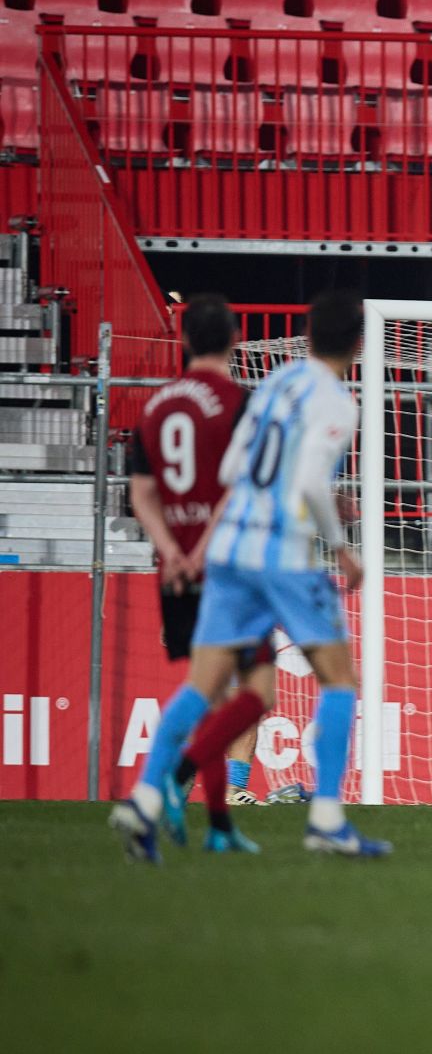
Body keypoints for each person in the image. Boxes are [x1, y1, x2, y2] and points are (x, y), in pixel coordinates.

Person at [109, 292, 389, 861]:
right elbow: (311, 480)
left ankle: (142, 797)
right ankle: (328, 820)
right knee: (339, 680)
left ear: (305, 337)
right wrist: (341, 549)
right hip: (280, 552)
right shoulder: (336, 401)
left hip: (229, 547)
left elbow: (236, 465)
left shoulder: (278, 384)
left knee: (205, 685)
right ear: (359, 345)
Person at [125, 294, 275, 820]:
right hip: (230, 565)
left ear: (185, 340)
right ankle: (208, 785)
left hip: (175, 569)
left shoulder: (155, 405)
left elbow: (140, 492)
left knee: (205, 685)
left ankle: (178, 788)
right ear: (235, 340)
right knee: (251, 687)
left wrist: (173, 551)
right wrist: (205, 550)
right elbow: (242, 489)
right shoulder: (240, 403)